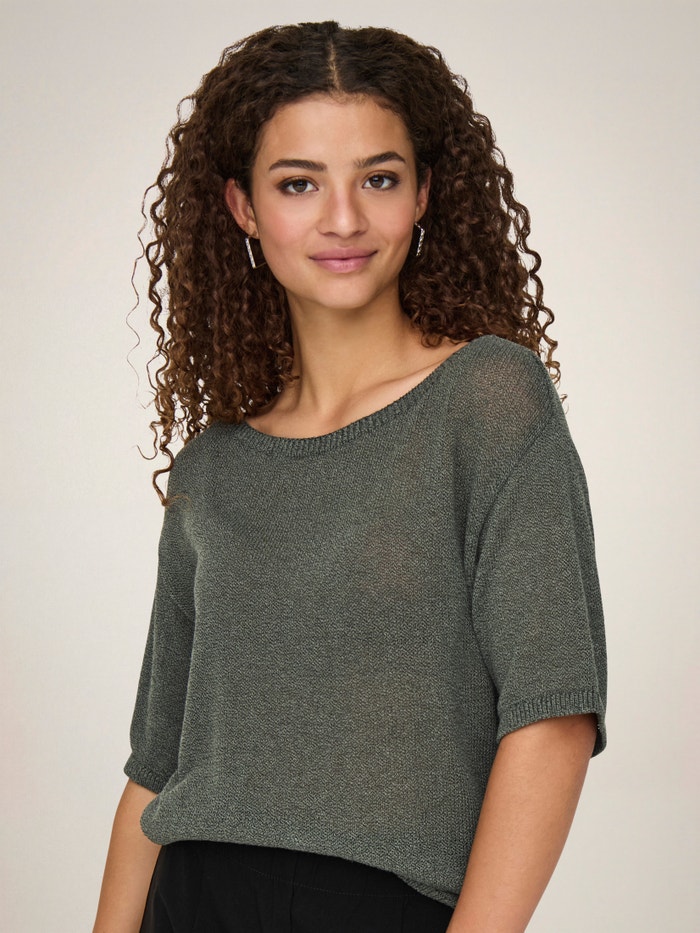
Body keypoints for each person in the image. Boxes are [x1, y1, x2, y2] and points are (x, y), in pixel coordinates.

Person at [93, 21, 607, 933]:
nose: (343, 219)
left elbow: (551, 717)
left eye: (379, 178)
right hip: (190, 898)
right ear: (243, 207)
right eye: (299, 183)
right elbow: (156, 765)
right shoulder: (215, 465)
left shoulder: (488, 400)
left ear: (424, 193)